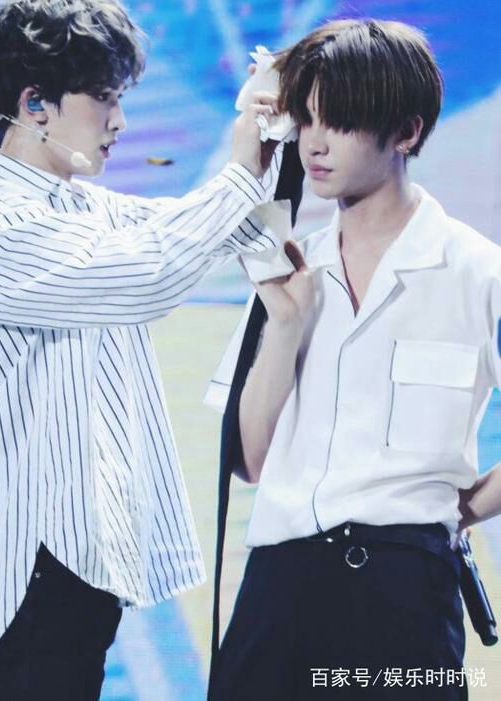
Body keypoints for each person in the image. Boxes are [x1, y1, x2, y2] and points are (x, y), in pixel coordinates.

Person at [0, 1, 289, 699]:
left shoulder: (86, 208)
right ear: (35, 104)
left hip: (74, 566)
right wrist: (243, 170)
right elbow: (149, 273)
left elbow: (218, 229)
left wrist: (269, 139)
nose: (119, 122)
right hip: (24, 567)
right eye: (103, 99)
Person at [206, 18, 501, 700]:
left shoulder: (478, 272)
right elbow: (247, 459)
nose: (315, 142)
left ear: (406, 133)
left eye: (338, 121)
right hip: (277, 588)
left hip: (404, 591)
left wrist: (459, 511)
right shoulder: (288, 266)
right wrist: (287, 322)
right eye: (306, 119)